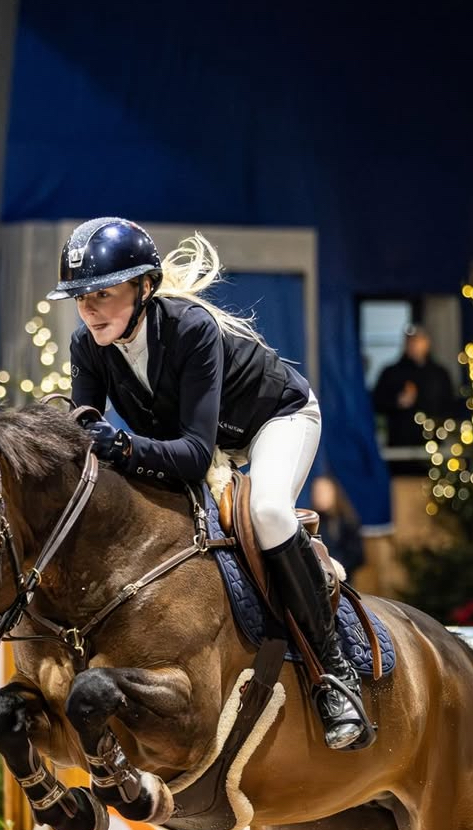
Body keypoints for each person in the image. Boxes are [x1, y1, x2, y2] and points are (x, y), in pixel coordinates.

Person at [49, 216, 369, 750]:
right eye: (81, 297)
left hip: (274, 420)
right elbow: (85, 432)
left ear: (144, 287)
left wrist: (123, 447)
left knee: (267, 511)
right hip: (192, 440)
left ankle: (335, 673)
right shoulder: (89, 346)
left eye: (102, 294)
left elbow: (196, 455)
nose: (89, 308)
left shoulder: (189, 327)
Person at [372, 324, 460, 475]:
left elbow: (449, 407)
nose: (414, 345)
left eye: (418, 340)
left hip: (433, 451)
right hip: (400, 451)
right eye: (410, 341)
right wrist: (397, 402)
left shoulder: (439, 374)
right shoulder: (391, 373)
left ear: (427, 342)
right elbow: (376, 402)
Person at [310, 474, 364, 586]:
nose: (319, 496)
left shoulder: (347, 521)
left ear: (334, 493)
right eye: (316, 492)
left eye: (324, 492)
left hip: (343, 582)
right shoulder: (309, 524)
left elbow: (358, 555)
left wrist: (335, 568)